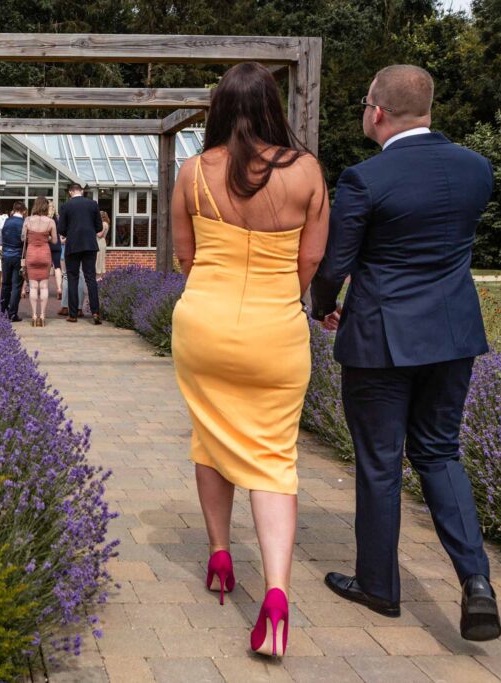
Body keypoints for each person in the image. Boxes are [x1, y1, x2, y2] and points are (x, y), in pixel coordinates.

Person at [310, 65, 501, 642]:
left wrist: (322, 307)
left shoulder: (366, 178)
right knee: (441, 453)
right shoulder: (477, 169)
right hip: (453, 334)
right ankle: (477, 582)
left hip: (381, 339)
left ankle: (379, 587)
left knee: (379, 462)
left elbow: (336, 265)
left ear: (378, 112)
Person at [170, 61, 329, 658]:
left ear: (218, 109)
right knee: (272, 455)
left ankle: (218, 555)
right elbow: (309, 264)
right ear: (272, 108)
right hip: (275, 331)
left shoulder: (194, 171)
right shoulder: (307, 172)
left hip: (203, 324)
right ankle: (278, 593)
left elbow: (184, 256)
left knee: (210, 433)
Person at [57, 183, 103, 324]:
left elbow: (61, 228)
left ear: (70, 192)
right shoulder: (93, 204)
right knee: (90, 278)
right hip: (90, 245)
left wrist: (69, 233)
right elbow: (99, 227)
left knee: (73, 278)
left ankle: (73, 314)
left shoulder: (66, 206)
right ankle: (95, 313)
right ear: (81, 191)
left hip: (73, 245)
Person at [23, 196, 59, 327]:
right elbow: (55, 241)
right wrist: (47, 237)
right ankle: (42, 316)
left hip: (31, 254)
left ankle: (34, 316)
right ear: (45, 207)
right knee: (43, 286)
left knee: (33, 286)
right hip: (45, 254)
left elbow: (22, 238)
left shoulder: (28, 220)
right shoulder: (50, 222)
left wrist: (31, 236)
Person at [0, 200, 27, 322]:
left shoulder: (6, 221)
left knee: (5, 284)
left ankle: (2, 310)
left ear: (14, 209)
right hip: (18, 256)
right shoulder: (24, 223)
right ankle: (13, 313)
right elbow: (25, 240)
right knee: (16, 285)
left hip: (6, 255)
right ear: (24, 211)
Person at [48, 199, 64, 299]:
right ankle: (59, 288)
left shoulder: (44, 219)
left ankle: (42, 288)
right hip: (57, 244)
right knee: (57, 267)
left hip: (47, 245)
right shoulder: (57, 219)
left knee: (45, 267)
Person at [96, 210, 110, 278]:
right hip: (101, 242)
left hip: (100, 242)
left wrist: (93, 230)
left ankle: (99, 277)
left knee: (99, 259)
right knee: (99, 258)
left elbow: (99, 235)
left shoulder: (104, 224)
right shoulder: (105, 223)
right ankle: (99, 276)